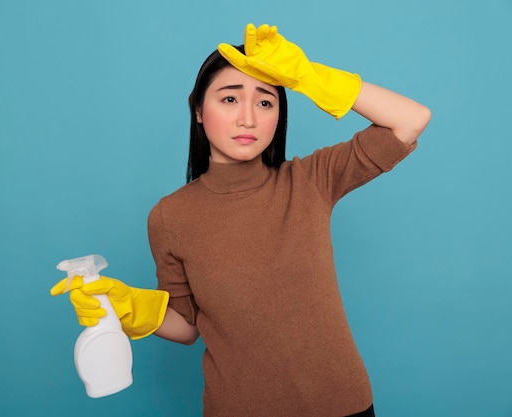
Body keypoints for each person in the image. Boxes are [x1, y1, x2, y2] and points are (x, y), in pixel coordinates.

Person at [51, 23, 431, 417]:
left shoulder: (310, 180)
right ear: (198, 110)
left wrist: (308, 75)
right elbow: (186, 326)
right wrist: (128, 305)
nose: (248, 118)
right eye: (229, 99)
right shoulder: (169, 216)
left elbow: (411, 120)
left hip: (343, 405)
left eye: (265, 102)